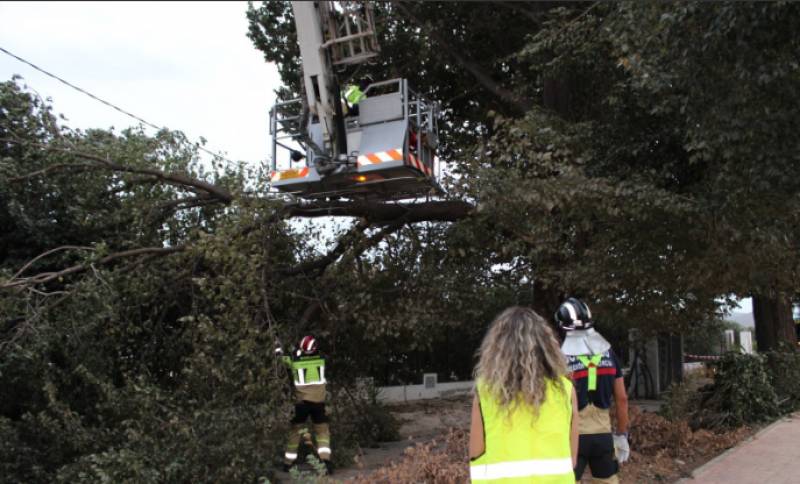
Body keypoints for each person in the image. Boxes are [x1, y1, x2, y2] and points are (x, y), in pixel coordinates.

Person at [469, 306, 579, 483]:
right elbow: (572, 458)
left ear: (497, 349)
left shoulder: (485, 393)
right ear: (546, 348)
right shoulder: (565, 391)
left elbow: (475, 455)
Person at [556, 297, 630, 484]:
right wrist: (621, 435)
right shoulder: (608, 353)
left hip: (572, 438)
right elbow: (622, 399)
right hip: (603, 436)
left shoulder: (559, 358)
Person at [275, 335, 333, 475]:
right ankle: (326, 463)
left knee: (295, 432)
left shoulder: (294, 361)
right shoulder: (321, 360)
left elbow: (282, 359)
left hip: (301, 404)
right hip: (319, 404)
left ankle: (288, 464)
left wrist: (278, 348)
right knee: (322, 433)